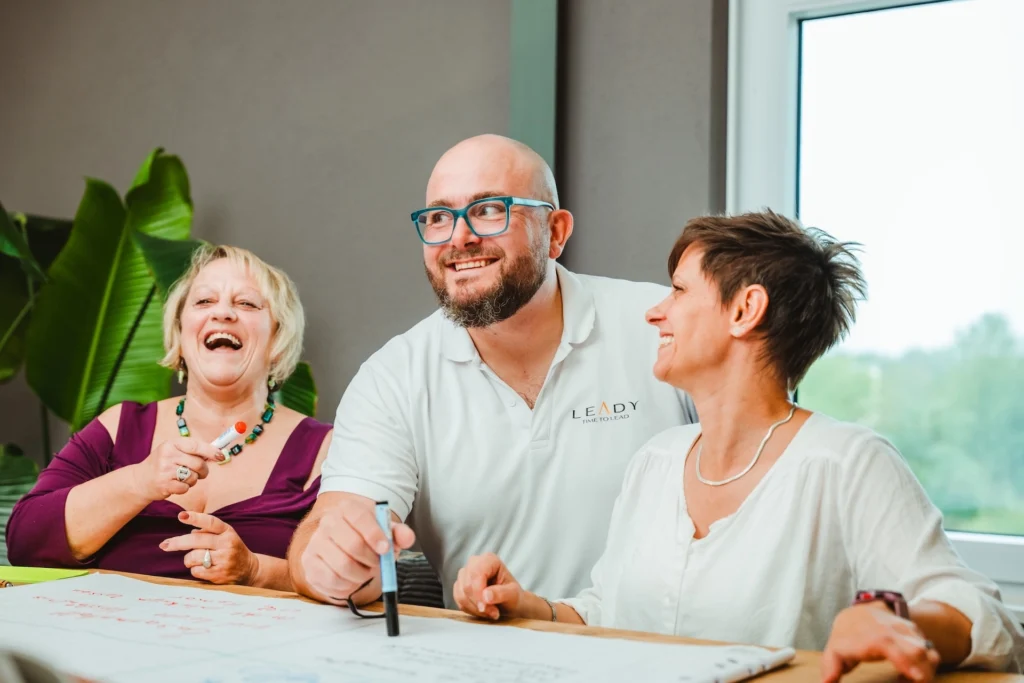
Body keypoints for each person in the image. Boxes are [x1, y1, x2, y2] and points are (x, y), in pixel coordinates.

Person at [451, 211, 1024, 680]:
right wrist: (530, 606)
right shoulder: (656, 461)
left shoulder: (846, 462)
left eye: (677, 291)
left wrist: (894, 617)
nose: (655, 311)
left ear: (745, 310)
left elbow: (988, 619)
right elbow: (611, 610)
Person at [288, 134, 698, 608]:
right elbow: (326, 532)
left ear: (557, 232)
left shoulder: (660, 325)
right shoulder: (393, 378)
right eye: (439, 217)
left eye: (488, 210)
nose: (459, 238)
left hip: (660, 657)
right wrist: (334, 563)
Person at [6, 245, 331, 591]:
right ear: (179, 333)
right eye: (204, 301)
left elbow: (354, 582)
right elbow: (26, 542)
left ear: (278, 339)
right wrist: (139, 482)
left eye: (247, 303)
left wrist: (254, 570)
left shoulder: (325, 449)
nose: (222, 313)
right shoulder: (119, 427)